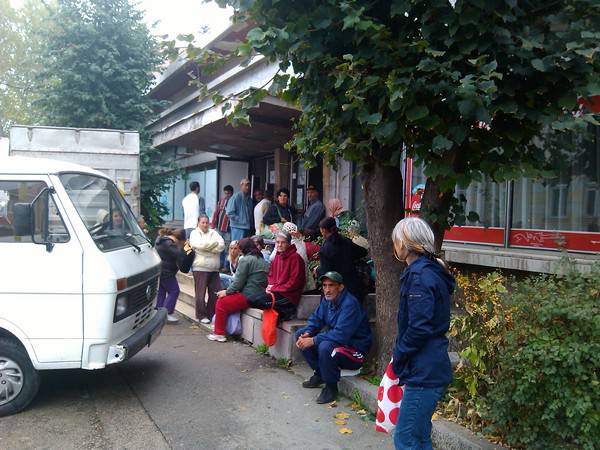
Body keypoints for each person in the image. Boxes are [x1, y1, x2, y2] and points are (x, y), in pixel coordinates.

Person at [391, 217, 454, 450]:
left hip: (424, 372)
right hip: (428, 367)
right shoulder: (429, 271)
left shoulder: (420, 276)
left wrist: (399, 355)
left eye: (396, 240)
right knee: (419, 438)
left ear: (406, 243)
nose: (394, 245)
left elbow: (419, 327)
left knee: (405, 439)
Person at [295, 271, 372, 404]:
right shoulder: (327, 300)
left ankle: (331, 387)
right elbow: (316, 319)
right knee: (299, 335)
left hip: (355, 351)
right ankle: (320, 374)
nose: (327, 290)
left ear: (340, 287)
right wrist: (308, 332)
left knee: (325, 346)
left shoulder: (350, 304)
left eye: (331, 285)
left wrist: (313, 340)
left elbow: (341, 335)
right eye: (324, 286)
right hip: (340, 344)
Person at [207, 238, 270, 342]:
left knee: (221, 303)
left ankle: (219, 333)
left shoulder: (245, 260)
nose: (239, 250)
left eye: (240, 248)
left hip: (249, 295)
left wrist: (226, 292)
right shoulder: (261, 259)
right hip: (259, 295)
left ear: (244, 248)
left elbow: (238, 283)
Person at [245, 231, 305, 322]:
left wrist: (274, 288)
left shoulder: (296, 258)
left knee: (259, 301)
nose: (279, 245)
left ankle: (286, 311)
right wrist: (270, 286)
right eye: (277, 242)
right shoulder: (277, 256)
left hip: (288, 295)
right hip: (276, 290)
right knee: (250, 299)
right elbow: (271, 275)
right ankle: (280, 311)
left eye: (283, 242)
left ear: (289, 243)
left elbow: (294, 283)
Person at [316, 217, 368, 302]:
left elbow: (326, 273)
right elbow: (363, 252)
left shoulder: (325, 249)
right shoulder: (346, 241)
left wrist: (318, 270)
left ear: (323, 230)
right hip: (352, 286)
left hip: (337, 290)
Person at [190, 214, 225, 324]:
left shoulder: (214, 233)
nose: (205, 225)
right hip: (200, 267)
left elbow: (222, 245)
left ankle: (211, 314)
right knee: (200, 294)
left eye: (207, 222)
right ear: (198, 223)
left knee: (215, 292)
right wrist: (213, 246)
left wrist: (207, 248)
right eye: (203, 222)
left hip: (214, 268)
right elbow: (198, 246)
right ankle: (201, 315)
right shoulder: (194, 233)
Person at [270, 222, 319, 291]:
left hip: (293, 287)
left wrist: (276, 246)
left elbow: (272, 258)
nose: (280, 244)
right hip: (305, 282)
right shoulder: (301, 243)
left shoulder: (288, 247)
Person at [155, 228, 186, 323]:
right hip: (167, 271)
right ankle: (167, 313)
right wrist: (184, 247)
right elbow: (179, 255)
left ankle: (158, 311)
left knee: (162, 291)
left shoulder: (161, 240)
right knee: (174, 290)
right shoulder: (169, 244)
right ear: (178, 239)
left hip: (160, 270)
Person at [212, 185, 234, 267]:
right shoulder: (221, 200)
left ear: (232, 193)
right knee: (219, 247)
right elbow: (216, 212)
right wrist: (213, 223)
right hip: (219, 227)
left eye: (228, 193)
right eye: (225, 193)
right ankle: (219, 264)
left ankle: (225, 266)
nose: (226, 195)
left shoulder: (233, 201)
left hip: (228, 229)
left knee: (227, 248)